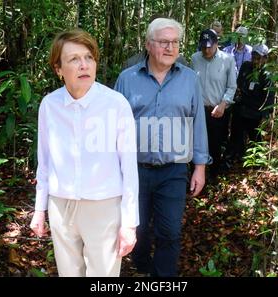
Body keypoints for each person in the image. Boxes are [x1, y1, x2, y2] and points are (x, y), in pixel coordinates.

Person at [29, 29, 139, 277]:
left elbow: (129, 167)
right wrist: (40, 210)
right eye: (74, 59)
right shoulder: (50, 105)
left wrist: (129, 223)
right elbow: (44, 162)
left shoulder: (116, 104)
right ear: (58, 69)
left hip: (104, 206)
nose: (84, 65)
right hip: (61, 205)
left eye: (89, 57)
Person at [114, 18, 210, 277]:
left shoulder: (189, 79)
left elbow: (198, 123)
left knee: (170, 232)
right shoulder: (127, 79)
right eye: (163, 42)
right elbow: (113, 126)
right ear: (148, 44)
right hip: (135, 170)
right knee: (139, 229)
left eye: (175, 42)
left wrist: (200, 167)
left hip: (174, 170)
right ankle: (143, 270)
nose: (170, 48)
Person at [191, 29, 237, 178]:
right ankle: (196, 178)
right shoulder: (195, 58)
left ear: (217, 44)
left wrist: (223, 104)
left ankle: (214, 176)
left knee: (215, 145)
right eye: (203, 46)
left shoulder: (227, 59)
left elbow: (232, 86)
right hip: (198, 111)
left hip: (217, 111)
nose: (206, 50)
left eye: (209, 46)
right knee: (196, 145)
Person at [228, 43, 275, 161]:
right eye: (254, 57)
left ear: (265, 59)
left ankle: (258, 161)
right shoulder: (246, 67)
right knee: (236, 136)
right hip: (241, 108)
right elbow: (238, 84)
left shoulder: (267, 75)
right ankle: (236, 157)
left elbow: (269, 97)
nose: (255, 61)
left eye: (258, 58)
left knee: (255, 138)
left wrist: (265, 114)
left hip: (255, 112)